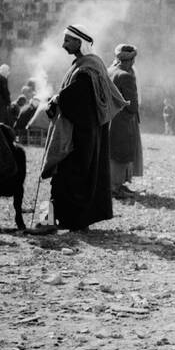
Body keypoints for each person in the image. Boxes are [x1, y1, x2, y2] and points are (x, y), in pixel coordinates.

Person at [37, 25, 127, 233]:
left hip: (78, 136)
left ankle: (48, 222)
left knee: (61, 178)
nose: (64, 44)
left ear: (80, 43)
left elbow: (78, 100)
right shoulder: (90, 65)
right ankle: (76, 221)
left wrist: (57, 100)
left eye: (68, 40)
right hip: (88, 135)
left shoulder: (86, 71)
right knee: (80, 179)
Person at [107, 44, 143, 199]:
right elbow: (133, 105)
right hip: (124, 121)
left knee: (112, 152)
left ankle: (113, 185)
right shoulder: (126, 76)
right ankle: (116, 187)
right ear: (132, 59)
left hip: (110, 118)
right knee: (122, 152)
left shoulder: (110, 71)